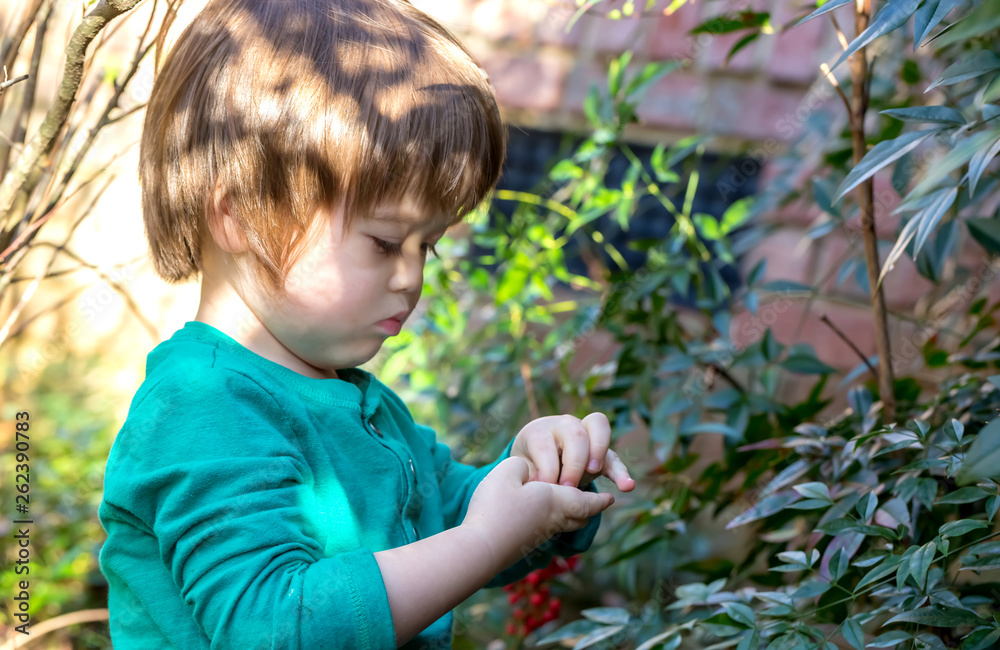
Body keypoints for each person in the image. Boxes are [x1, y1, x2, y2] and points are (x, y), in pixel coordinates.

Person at [97, 0, 636, 647]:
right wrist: (487, 537)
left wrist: (534, 480)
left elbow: (446, 521)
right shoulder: (201, 411)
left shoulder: (355, 400)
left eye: (428, 246)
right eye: (385, 242)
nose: (412, 277)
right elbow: (272, 627)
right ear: (237, 215)